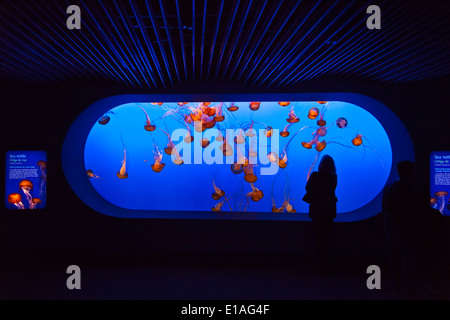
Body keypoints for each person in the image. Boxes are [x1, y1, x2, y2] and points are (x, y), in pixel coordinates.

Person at [303, 155, 338, 257]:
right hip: (329, 207)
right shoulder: (334, 177)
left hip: (317, 207)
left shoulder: (315, 175)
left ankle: (318, 258)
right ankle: (327, 258)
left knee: (317, 232)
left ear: (321, 164)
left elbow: (307, 188)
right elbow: (331, 190)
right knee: (328, 233)